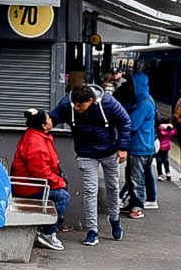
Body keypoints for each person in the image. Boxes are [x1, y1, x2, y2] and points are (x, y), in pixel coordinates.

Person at [50, 83, 132, 245]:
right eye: (75, 105)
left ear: (90, 100)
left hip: (109, 150)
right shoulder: (67, 104)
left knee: (113, 186)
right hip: (85, 153)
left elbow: (125, 121)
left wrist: (123, 147)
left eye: (81, 105)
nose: (77, 108)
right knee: (90, 190)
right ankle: (92, 230)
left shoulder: (108, 102)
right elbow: (53, 118)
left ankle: (115, 219)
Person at [10, 108, 71, 250]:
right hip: (29, 187)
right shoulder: (36, 143)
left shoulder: (37, 136)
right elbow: (41, 173)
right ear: (44, 125)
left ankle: (49, 227)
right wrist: (60, 182)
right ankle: (48, 233)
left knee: (61, 191)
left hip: (29, 184)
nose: (51, 120)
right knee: (62, 196)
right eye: (48, 118)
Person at [120, 73, 160, 213]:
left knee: (136, 178)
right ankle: (133, 203)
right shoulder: (146, 99)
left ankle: (137, 207)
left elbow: (132, 124)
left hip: (140, 145)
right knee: (135, 176)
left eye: (132, 85)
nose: (130, 88)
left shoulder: (143, 103)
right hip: (144, 144)